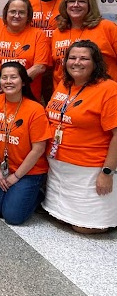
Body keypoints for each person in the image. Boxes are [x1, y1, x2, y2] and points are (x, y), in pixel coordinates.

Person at [43, 41, 117, 233]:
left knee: (85, 228)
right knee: (57, 217)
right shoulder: (64, 84)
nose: (77, 62)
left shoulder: (109, 89)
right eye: (72, 58)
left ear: (95, 63)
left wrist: (107, 172)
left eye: (84, 58)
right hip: (58, 166)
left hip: (89, 169)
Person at [0, 62, 51, 225]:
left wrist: (16, 177)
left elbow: (39, 148)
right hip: (4, 168)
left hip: (29, 171)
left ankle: (37, 194)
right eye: (4, 77)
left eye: (13, 77)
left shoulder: (35, 109)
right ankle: (14, 193)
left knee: (13, 217)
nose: (8, 81)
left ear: (24, 81)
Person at [0, 0, 51, 99]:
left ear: (28, 16)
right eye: (13, 11)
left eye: (22, 12)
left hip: (27, 97)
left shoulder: (38, 35)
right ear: (6, 14)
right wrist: (4, 81)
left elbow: (40, 67)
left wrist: (13, 84)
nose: (17, 15)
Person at [49, 0, 117, 90]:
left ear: (90, 5)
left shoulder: (107, 27)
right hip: (65, 94)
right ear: (65, 5)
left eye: (81, 1)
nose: (76, 5)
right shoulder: (57, 33)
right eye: (71, 1)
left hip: (102, 93)